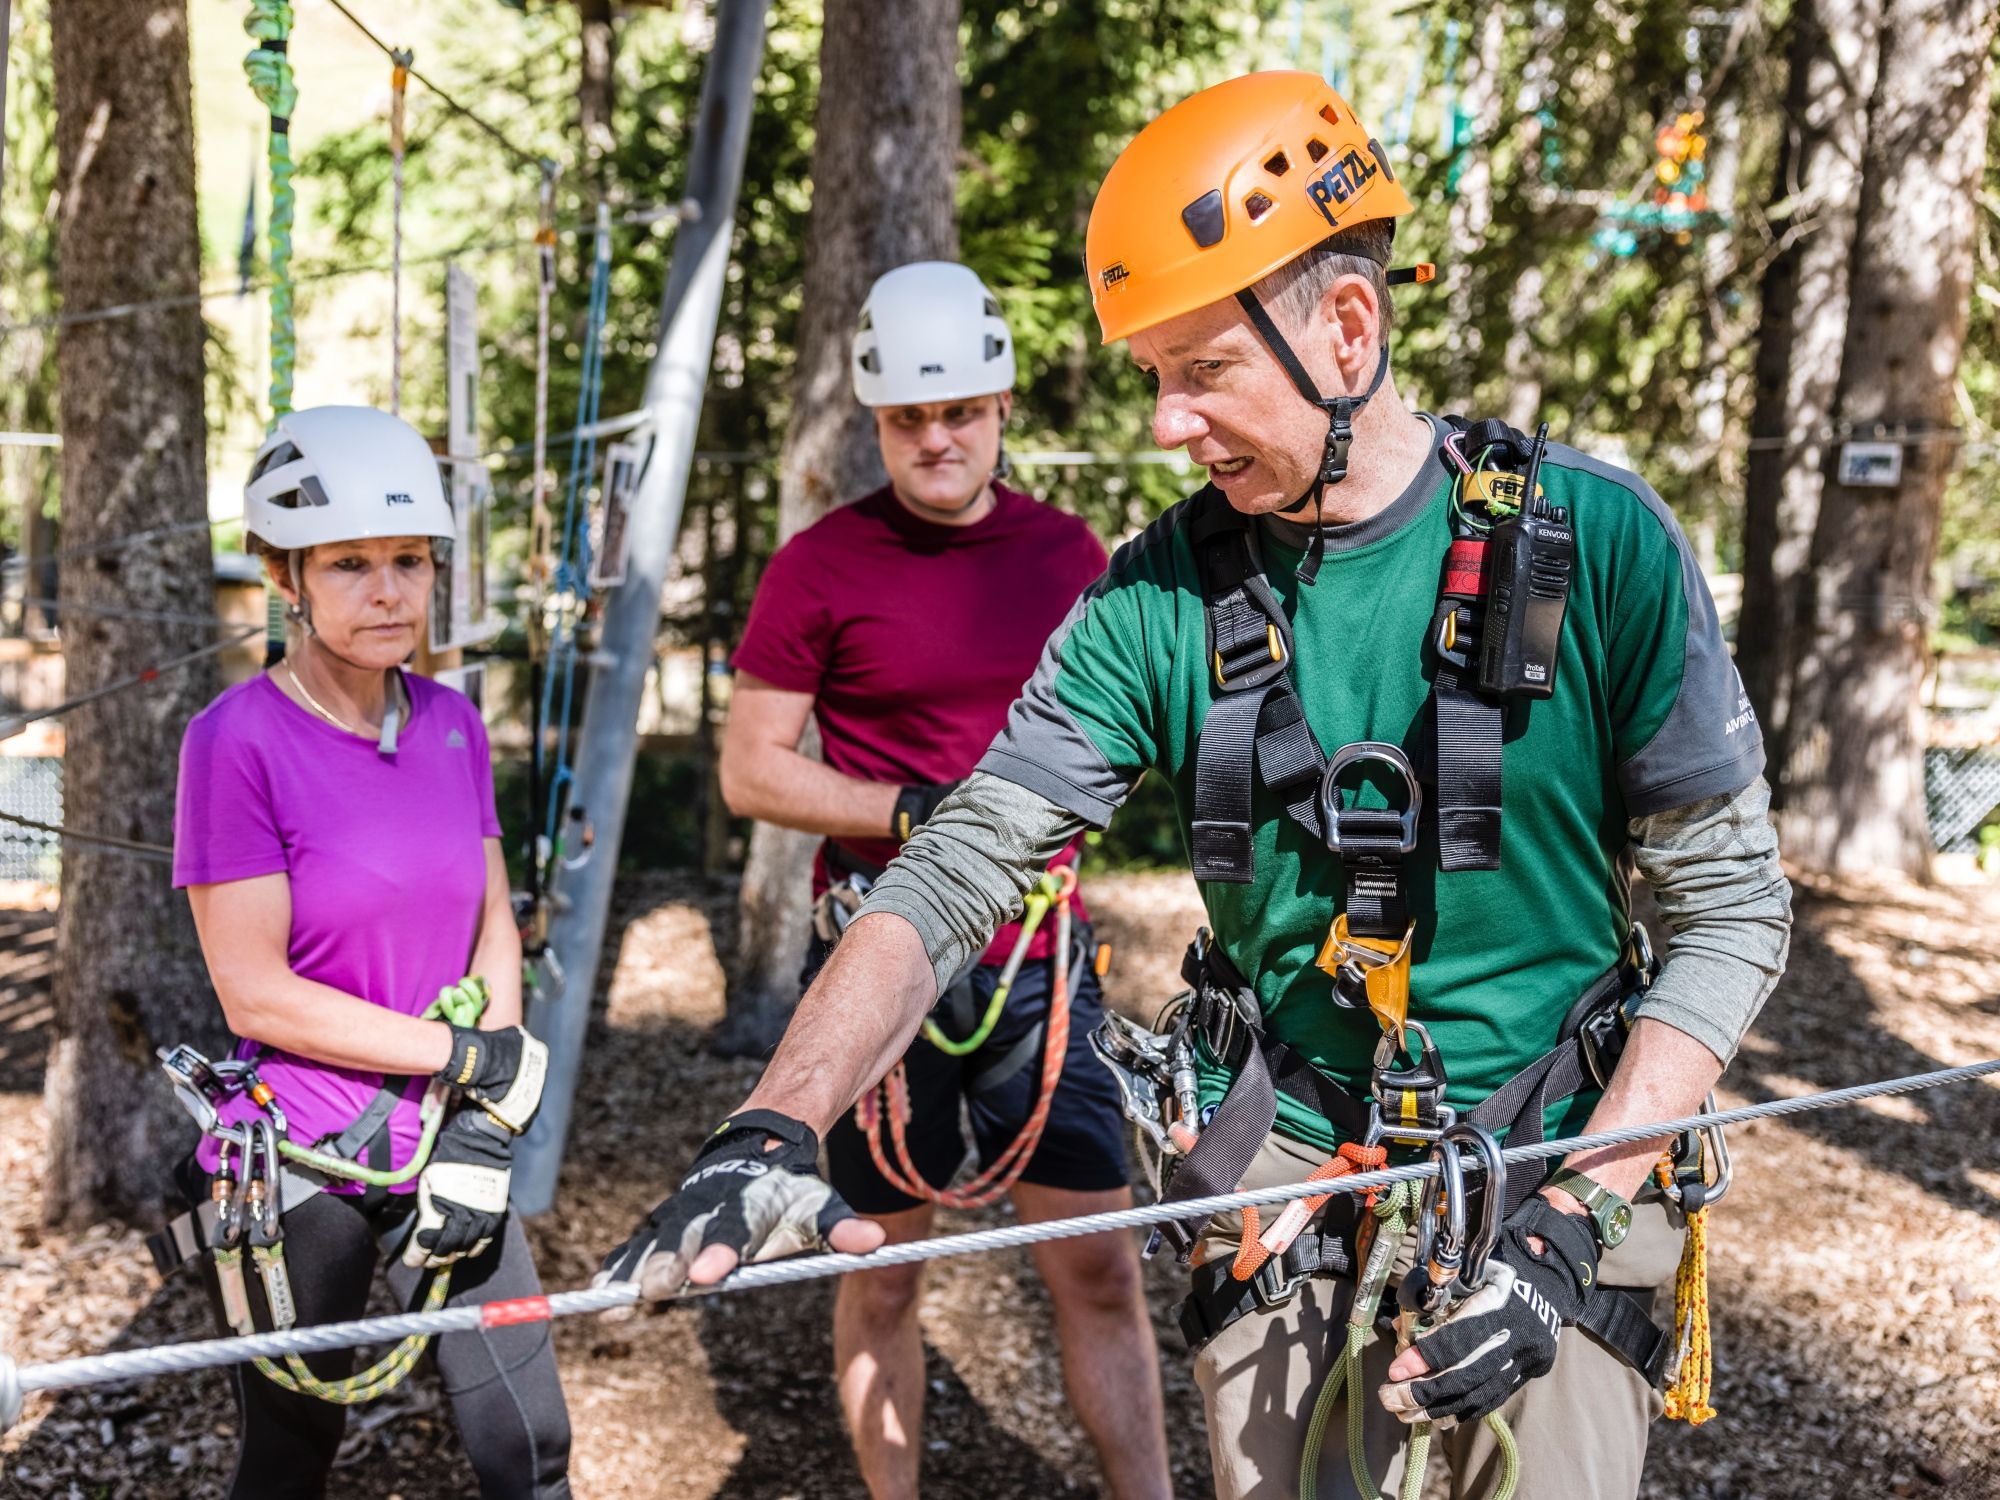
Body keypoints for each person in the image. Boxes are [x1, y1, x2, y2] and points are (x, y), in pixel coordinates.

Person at [601, 72, 1792, 1500]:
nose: (1167, 423)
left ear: (1347, 330)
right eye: (1149, 377)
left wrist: (1572, 1226)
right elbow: (960, 865)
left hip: (1557, 1167)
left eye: (1201, 368)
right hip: (1283, 1180)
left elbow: (1729, 914)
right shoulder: (1157, 601)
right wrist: (774, 1123)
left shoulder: (1588, 548)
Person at [712, 260, 1170, 1499]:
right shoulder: (820, 564)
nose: (936, 438)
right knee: (885, 1270)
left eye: (959, 409)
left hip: (1039, 963)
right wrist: (912, 812)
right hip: (878, 953)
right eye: (910, 416)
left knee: (1099, 1266)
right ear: (875, 419)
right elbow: (751, 771)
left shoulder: (1070, 554)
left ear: (1002, 403)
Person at [170, 406, 572, 1500]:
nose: (389, 589)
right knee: (291, 1461)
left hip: (453, 1133)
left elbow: (492, 920)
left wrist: (483, 1121)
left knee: (529, 1447)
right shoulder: (234, 742)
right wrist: (461, 1063)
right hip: (310, 1155)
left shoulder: (451, 722)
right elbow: (255, 994)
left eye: (409, 560)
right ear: (284, 574)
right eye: (350, 564)